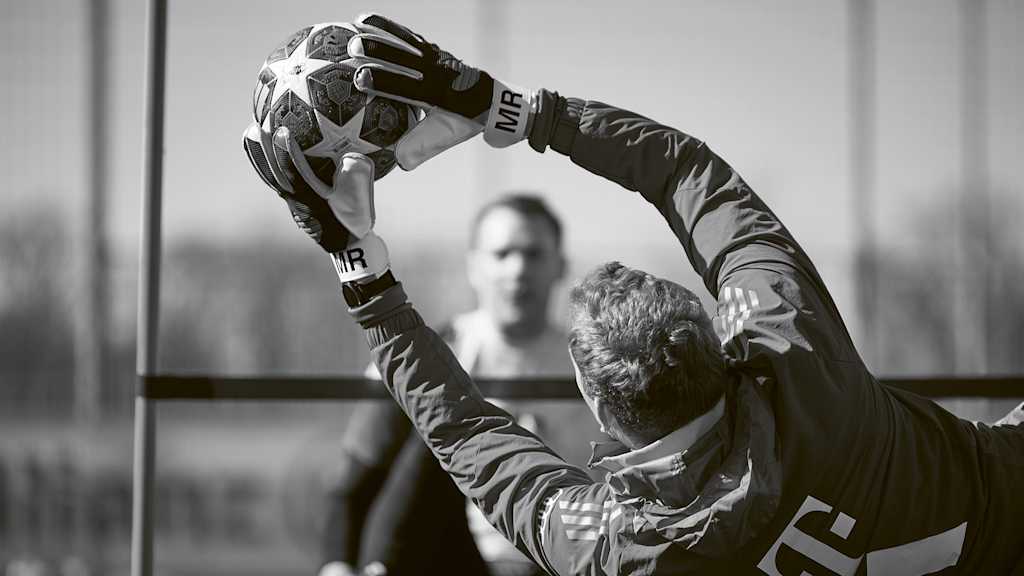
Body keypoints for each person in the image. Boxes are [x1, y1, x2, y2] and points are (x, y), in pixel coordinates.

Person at [243, 14, 1024, 575]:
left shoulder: (614, 545)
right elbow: (690, 175)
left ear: (598, 406)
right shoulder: (797, 357)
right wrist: (517, 110)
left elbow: (461, 430)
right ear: (724, 343)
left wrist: (359, 265)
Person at [316, 194, 597, 576]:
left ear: (560, 266)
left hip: (570, 562)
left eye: (533, 254)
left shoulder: (599, 365)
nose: (517, 270)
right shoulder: (420, 354)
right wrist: (336, 566)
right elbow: (355, 482)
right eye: (502, 254)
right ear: (474, 267)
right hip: (448, 558)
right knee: (434, 415)